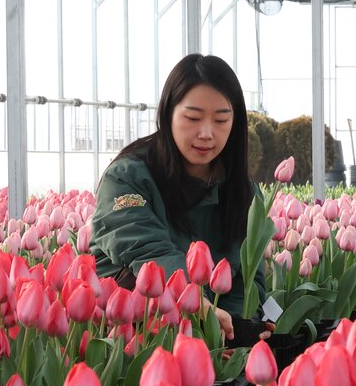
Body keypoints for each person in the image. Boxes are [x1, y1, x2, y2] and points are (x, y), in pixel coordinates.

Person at [90, 53, 265, 339]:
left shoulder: (242, 193)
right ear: (168, 113)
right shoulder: (127, 178)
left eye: (221, 120)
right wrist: (197, 304)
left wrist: (233, 328)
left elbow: (248, 282)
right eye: (193, 118)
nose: (207, 133)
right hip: (130, 339)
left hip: (206, 349)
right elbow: (147, 251)